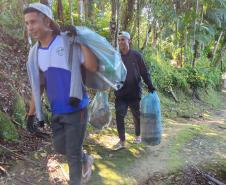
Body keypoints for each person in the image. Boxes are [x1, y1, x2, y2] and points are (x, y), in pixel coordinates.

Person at [24, 3, 97, 185]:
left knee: (72, 155)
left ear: (47, 20)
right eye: (26, 23)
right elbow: (38, 86)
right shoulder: (35, 54)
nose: (30, 27)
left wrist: (80, 40)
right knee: (60, 147)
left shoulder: (66, 41)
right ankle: (85, 158)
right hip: (57, 110)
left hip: (76, 107)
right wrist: (31, 114)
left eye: (33, 22)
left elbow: (92, 66)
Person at [113, 31, 155, 150]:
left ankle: (137, 135)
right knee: (119, 115)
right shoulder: (116, 56)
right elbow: (112, 73)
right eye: (119, 40)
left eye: (123, 39)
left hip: (134, 91)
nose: (121, 42)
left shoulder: (136, 55)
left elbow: (144, 72)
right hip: (120, 92)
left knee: (136, 115)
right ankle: (122, 140)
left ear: (129, 41)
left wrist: (150, 85)